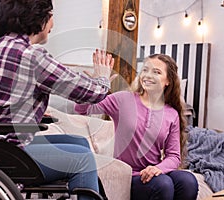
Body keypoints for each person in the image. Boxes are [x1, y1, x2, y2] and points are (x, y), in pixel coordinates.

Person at [0, 0, 114, 199]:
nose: (53, 22)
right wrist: (102, 78)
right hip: (5, 150)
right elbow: (88, 93)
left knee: (78, 142)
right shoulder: (31, 56)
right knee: (83, 159)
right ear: (36, 16)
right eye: (50, 14)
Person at [75, 54, 198, 200]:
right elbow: (81, 109)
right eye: (145, 70)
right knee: (163, 184)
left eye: (156, 72)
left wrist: (158, 169)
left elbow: (174, 156)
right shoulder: (123, 99)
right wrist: (95, 86)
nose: (148, 75)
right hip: (127, 175)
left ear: (168, 81)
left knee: (189, 181)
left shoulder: (171, 114)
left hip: (153, 172)